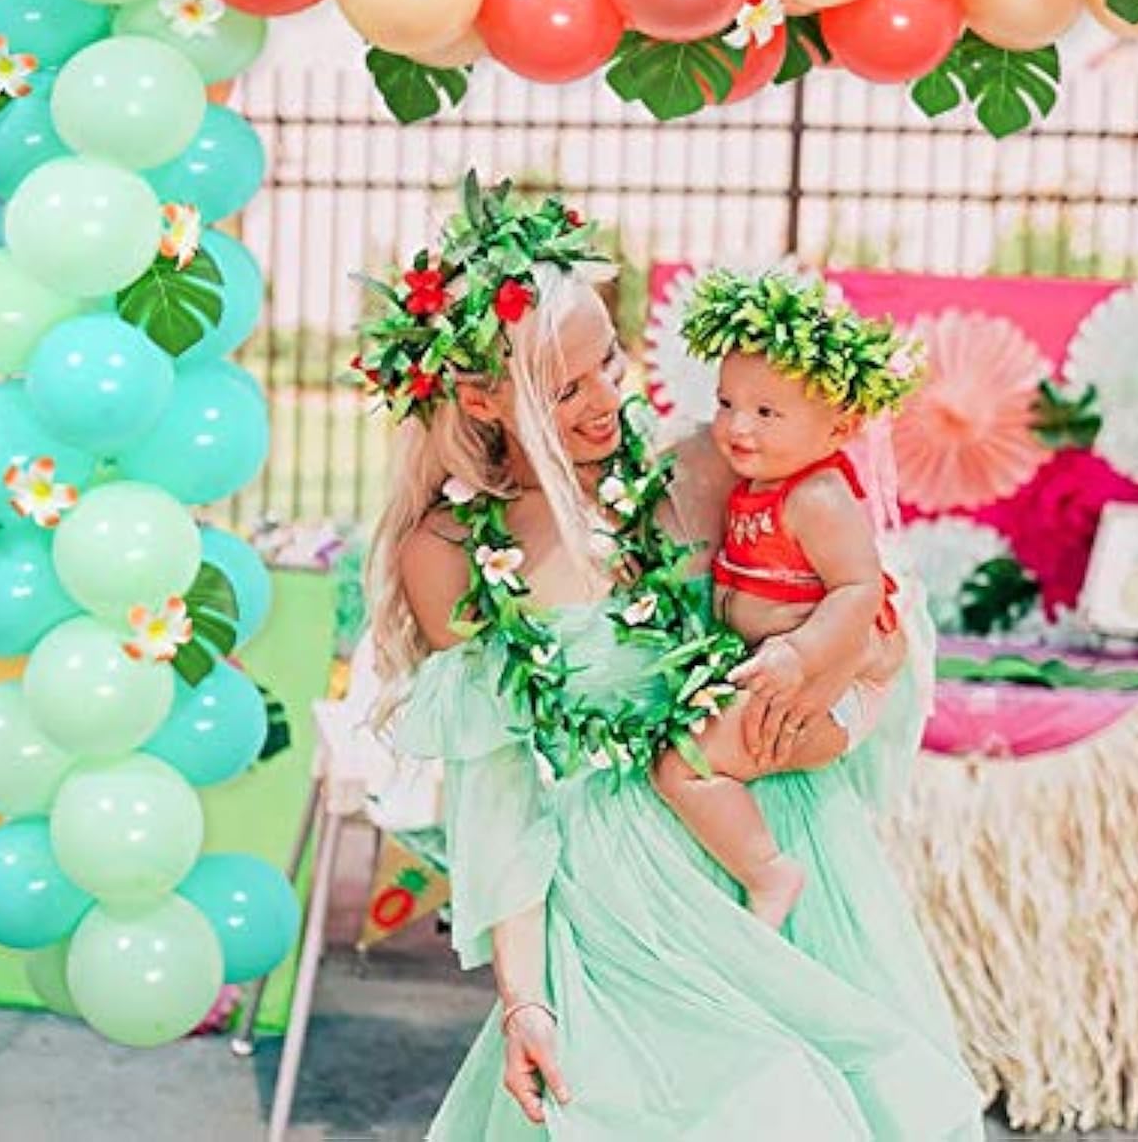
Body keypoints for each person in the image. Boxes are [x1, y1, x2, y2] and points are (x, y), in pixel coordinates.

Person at [364, 175, 983, 1139]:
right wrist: (524, 998)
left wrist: (834, 693)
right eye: (565, 387)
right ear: (483, 396)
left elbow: (878, 626)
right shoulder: (445, 554)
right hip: (619, 902)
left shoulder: (701, 468)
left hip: (769, 838)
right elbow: (499, 790)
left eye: (609, 360)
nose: (607, 400)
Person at [651, 270, 924, 928]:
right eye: (725, 403)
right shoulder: (760, 479)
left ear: (840, 428)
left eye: (766, 412)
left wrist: (801, 656)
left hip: (830, 688)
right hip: (785, 674)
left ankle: (770, 873)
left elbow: (858, 591)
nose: (737, 426)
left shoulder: (817, 497)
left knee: (684, 766)